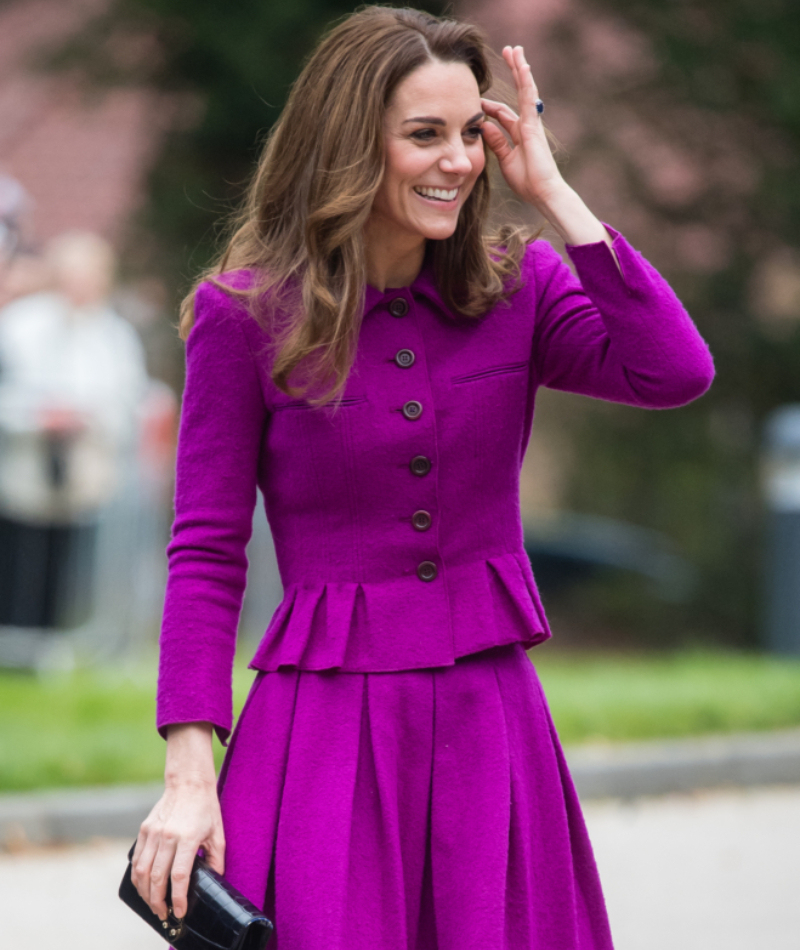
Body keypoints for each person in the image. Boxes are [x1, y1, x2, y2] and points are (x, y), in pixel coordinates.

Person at [131, 7, 715, 949]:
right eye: (423, 135)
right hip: (320, 735)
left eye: (469, 134)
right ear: (349, 147)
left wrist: (558, 196)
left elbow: (673, 370)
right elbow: (206, 552)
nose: (458, 160)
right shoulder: (243, 317)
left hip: (492, 727)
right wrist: (189, 778)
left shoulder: (518, 284)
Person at [0, 231, 149, 628]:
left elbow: (127, 400)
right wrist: (37, 417)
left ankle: (55, 639)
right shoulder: (19, 326)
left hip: (83, 473)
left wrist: (85, 416)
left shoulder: (115, 337)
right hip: (23, 469)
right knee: (19, 559)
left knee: (66, 565)